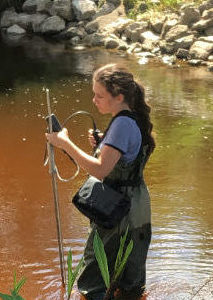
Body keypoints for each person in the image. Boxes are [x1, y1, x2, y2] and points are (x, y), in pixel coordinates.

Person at [45, 63, 155, 300]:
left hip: (117, 212)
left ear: (119, 96)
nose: (94, 100)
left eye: (99, 95)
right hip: (138, 209)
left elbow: (100, 170)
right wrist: (105, 142)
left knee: (93, 283)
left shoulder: (122, 124)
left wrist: (64, 143)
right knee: (130, 285)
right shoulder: (133, 118)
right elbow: (129, 153)